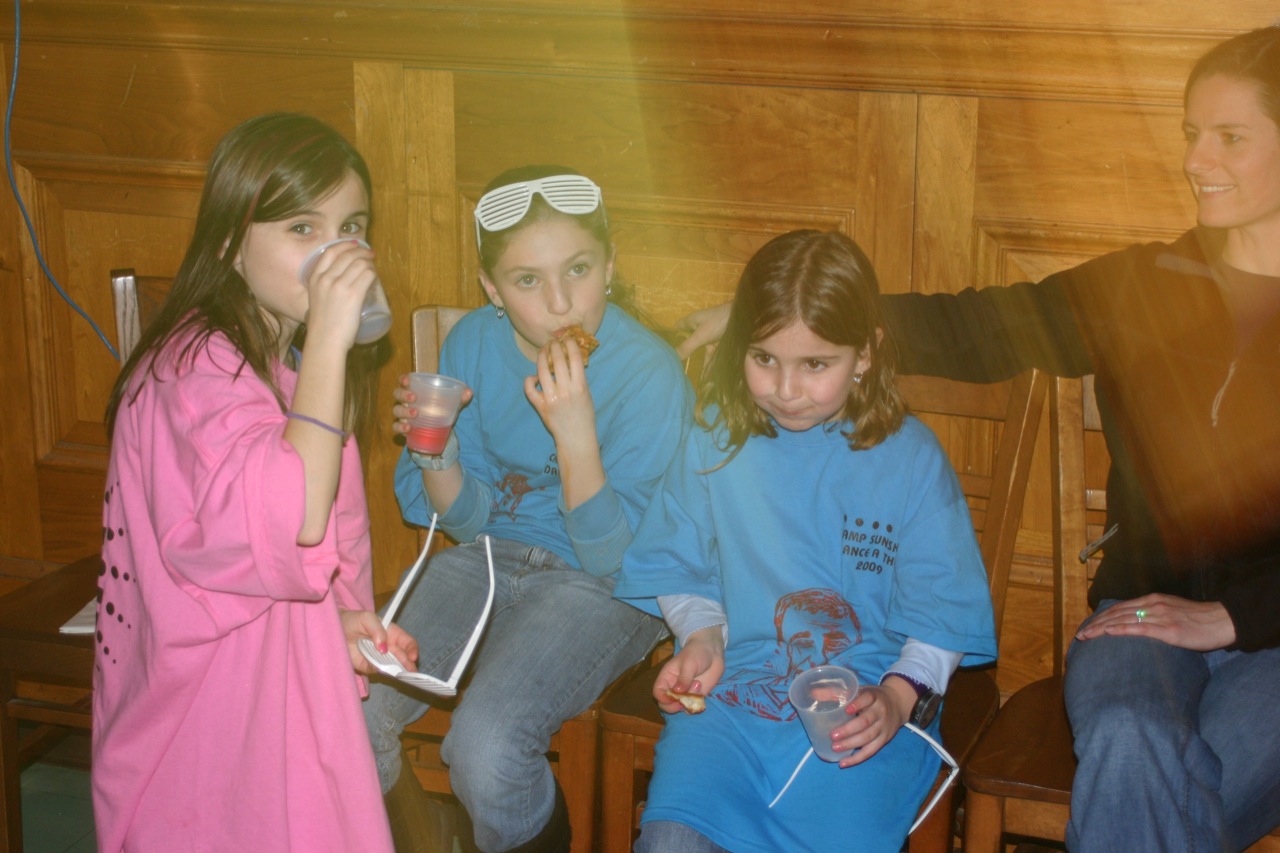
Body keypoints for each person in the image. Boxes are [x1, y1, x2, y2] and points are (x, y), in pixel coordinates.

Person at [673, 25, 1280, 852]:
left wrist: (1233, 615)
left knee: (1149, 789)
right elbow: (980, 325)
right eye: (1191, 132)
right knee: (1130, 740)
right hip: (1137, 617)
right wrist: (787, 321)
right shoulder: (1147, 285)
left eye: (1230, 137)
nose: (1196, 160)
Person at [613, 229, 998, 853]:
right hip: (733, 697)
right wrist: (702, 635)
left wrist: (900, 696)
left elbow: (943, 612)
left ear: (866, 353)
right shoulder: (714, 440)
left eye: (815, 365)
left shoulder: (912, 459)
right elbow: (678, 563)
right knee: (670, 839)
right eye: (763, 358)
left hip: (864, 705)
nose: (785, 389)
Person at [94, 113, 417, 852]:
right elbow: (291, 513)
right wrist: (331, 336)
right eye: (303, 228)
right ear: (230, 242)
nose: (337, 254)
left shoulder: (283, 366)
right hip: (210, 724)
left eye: (352, 227)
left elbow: (272, 553)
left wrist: (338, 621)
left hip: (272, 698)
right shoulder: (193, 371)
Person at [365, 165, 691, 853]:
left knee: (485, 746)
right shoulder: (473, 343)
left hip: (607, 587)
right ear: (491, 289)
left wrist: (575, 435)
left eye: (579, 269)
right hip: (484, 559)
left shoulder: (648, 372)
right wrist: (436, 451)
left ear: (610, 265)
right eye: (526, 281)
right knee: (350, 708)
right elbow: (467, 523)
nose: (561, 302)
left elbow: (612, 560)